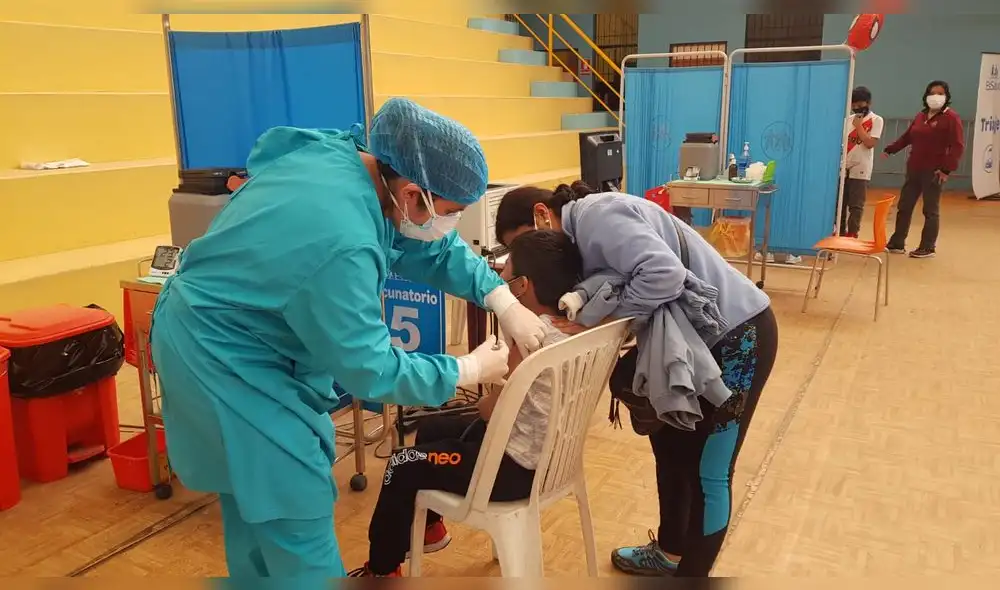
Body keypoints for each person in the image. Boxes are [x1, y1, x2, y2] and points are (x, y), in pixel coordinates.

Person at [149, 98, 551, 579]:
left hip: (227, 333)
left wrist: (498, 296)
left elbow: (430, 247)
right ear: (411, 194)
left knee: (255, 506)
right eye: (450, 211)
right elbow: (370, 366)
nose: (450, 224)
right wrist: (467, 369)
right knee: (291, 506)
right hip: (220, 356)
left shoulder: (358, 167)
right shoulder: (343, 238)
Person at [495, 181, 779, 577]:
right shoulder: (578, 244)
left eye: (525, 242)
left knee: (710, 473)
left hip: (738, 338)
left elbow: (665, 274)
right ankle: (670, 551)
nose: (525, 258)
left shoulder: (598, 218)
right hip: (693, 345)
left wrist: (603, 321)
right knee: (671, 448)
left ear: (543, 214)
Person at [350, 230, 582, 577]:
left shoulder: (528, 341)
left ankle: (381, 570)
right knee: (434, 426)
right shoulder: (574, 326)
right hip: (550, 457)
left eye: (505, 274)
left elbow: (492, 412)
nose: (499, 280)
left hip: (513, 469)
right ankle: (430, 529)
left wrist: (480, 384)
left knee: (403, 462)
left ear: (523, 286)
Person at [883, 80, 965, 258]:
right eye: (932, 93)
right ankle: (897, 242)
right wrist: (891, 149)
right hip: (914, 168)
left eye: (940, 93)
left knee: (930, 209)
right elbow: (908, 137)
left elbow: (957, 145)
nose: (936, 97)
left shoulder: (951, 118)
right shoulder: (921, 116)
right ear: (926, 96)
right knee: (904, 206)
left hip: (934, 171)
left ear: (946, 97)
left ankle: (927, 247)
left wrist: (946, 169)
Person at [840, 86, 884, 238]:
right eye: (854, 106)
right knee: (840, 203)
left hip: (862, 167)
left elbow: (870, 143)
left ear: (868, 103)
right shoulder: (848, 120)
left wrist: (859, 127)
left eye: (860, 105)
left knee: (856, 204)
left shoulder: (876, 120)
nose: (857, 109)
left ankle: (852, 233)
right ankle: (839, 231)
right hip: (844, 165)